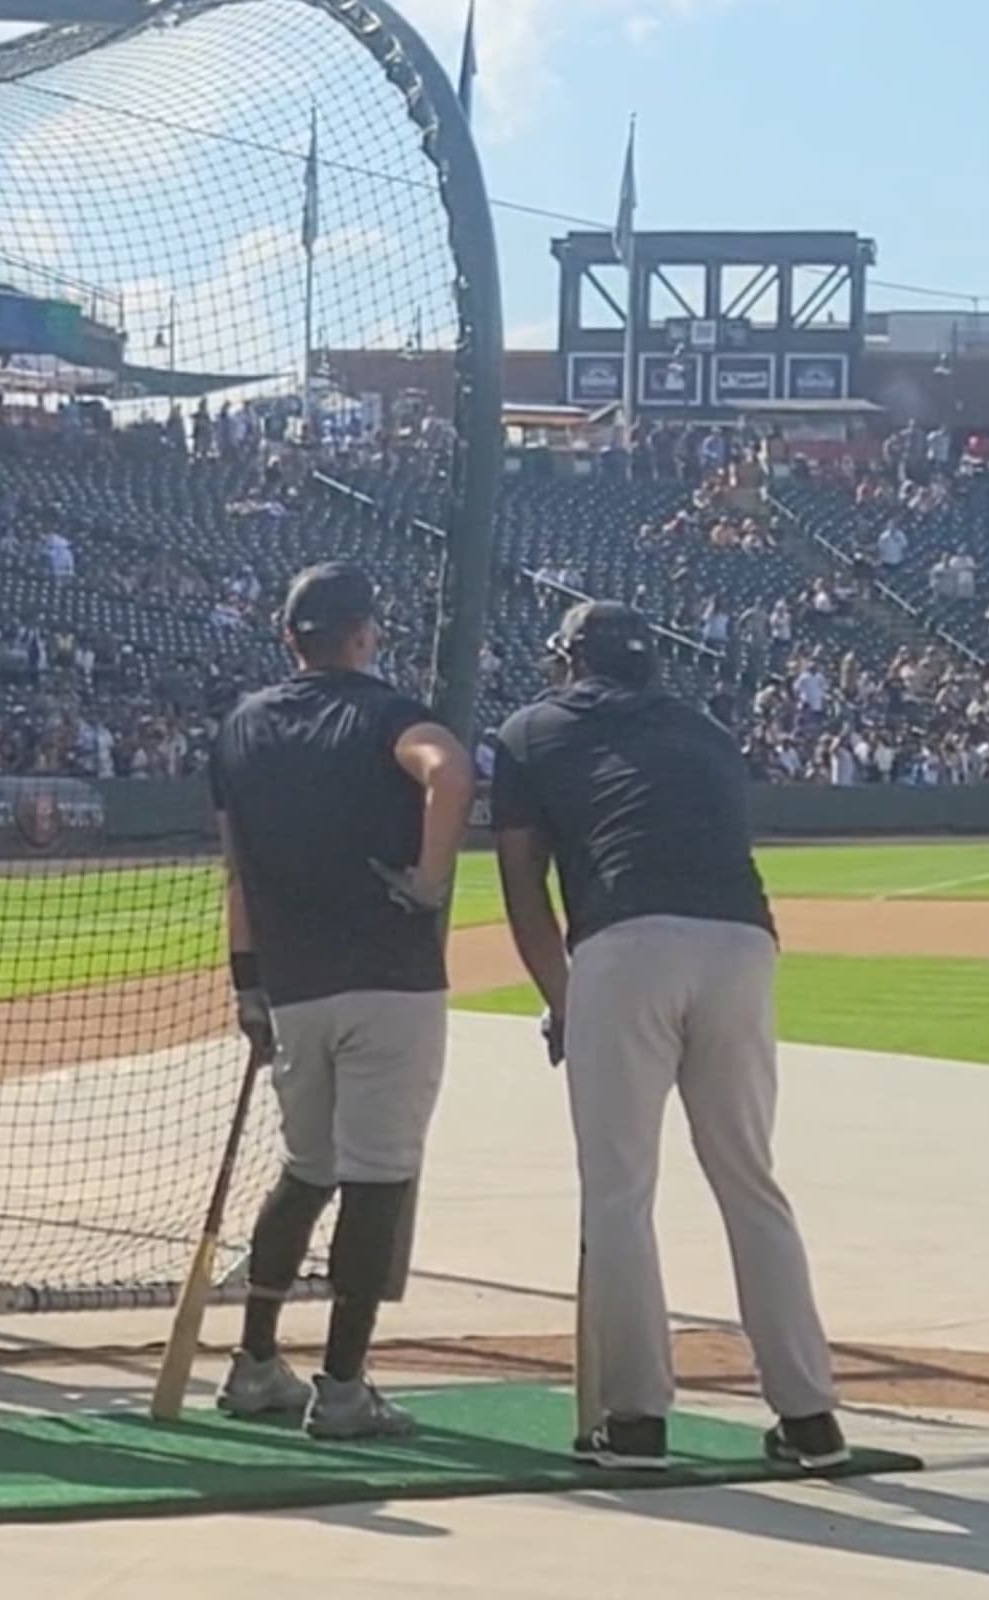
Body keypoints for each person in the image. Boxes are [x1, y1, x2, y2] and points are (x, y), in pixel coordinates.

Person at [489, 599, 845, 1473]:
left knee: (618, 1193)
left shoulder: (531, 731)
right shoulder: (706, 730)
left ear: (570, 660)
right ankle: (811, 1421)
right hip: (743, 944)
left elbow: (524, 892)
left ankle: (637, 1420)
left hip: (625, 941)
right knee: (750, 1182)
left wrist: (563, 1001)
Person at [206, 563, 473, 1439]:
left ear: (291, 638)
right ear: (362, 633)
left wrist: (248, 983)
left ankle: (253, 1363)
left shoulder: (242, 727)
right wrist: (429, 883)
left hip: (292, 983)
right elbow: (450, 772)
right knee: (379, 1175)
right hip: (387, 979)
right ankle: (345, 1383)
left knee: (306, 1168)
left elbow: (237, 873)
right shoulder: (385, 711)